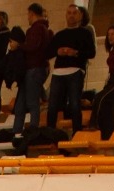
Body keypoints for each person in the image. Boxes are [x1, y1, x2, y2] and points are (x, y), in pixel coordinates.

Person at [48, 5, 94, 133]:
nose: (71, 15)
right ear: (66, 15)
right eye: (69, 13)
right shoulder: (59, 35)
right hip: (58, 72)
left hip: (75, 70)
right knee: (52, 106)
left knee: (75, 104)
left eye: (74, 13)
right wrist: (57, 51)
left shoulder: (85, 33)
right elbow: (48, 52)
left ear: (79, 16)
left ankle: (76, 133)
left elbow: (92, 52)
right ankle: (49, 134)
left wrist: (76, 53)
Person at [14, 3, 52, 134]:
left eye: (28, 15)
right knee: (21, 104)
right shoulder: (46, 29)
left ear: (32, 14)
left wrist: (19, 45)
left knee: (31, 103)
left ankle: (31, 131)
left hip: (34, 68)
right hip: (35, 69)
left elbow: (32, 46)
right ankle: (18, 132)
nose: (27, 18)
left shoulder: (37, 28)